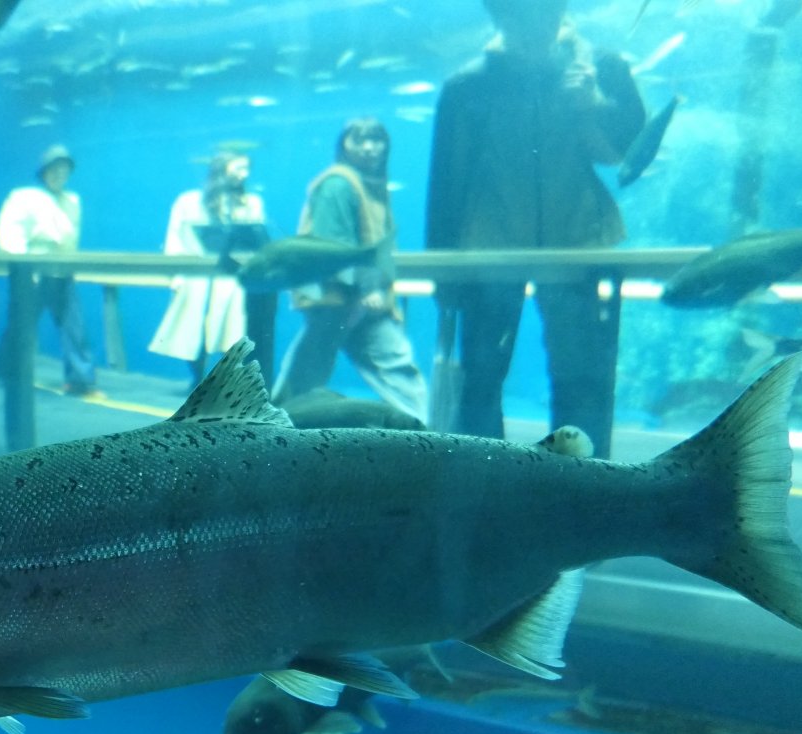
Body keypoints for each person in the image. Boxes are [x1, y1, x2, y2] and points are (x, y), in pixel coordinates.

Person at [426, 0, 646, 456]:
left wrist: (595, 103)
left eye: (545, 12)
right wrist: (444, 272)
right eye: (520, 14)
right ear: (499, 17)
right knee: (481, 377)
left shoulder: (601, 68)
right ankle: (483, 482)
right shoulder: (468, 86)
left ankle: (582, 486)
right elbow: (448, 182)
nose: (535, 25)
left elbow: (627, 155)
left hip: (576, 243)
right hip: (490, 250)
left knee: (580, 376)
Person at [271, 118, 428, 425]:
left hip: (350, 302)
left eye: (376, 140)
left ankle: (267, 434)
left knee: (303, 380)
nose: (369, 148)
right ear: (344, 144)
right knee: (308, 379)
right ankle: (423, 442)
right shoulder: (338, 184)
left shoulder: (369, 185)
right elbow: (332, 247)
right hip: (341, 300)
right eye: (359, 140)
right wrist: (366, 290)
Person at [149, 152, 266, 386]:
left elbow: (256, 240)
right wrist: (176, 275)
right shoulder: (188, 201)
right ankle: (197, 379)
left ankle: (226, 383)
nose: (245, 174)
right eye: (239, 167)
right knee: (194, 332)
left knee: (230, 333)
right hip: (196, 278)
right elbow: (174, 237)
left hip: (232, 281)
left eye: (247, 168)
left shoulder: (251, 203)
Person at [0, 145, 99, 397]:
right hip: (33, 271)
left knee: (74, 329)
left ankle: (79, 380)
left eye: (64, 169)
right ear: (44, 171)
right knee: (21, 326)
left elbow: (70, 239)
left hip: (62, 272)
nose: (59, 173)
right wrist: (23, 270)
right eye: (54, 168)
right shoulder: (24, 197)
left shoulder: (72, 201)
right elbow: (10, 231)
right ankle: (7, 370)